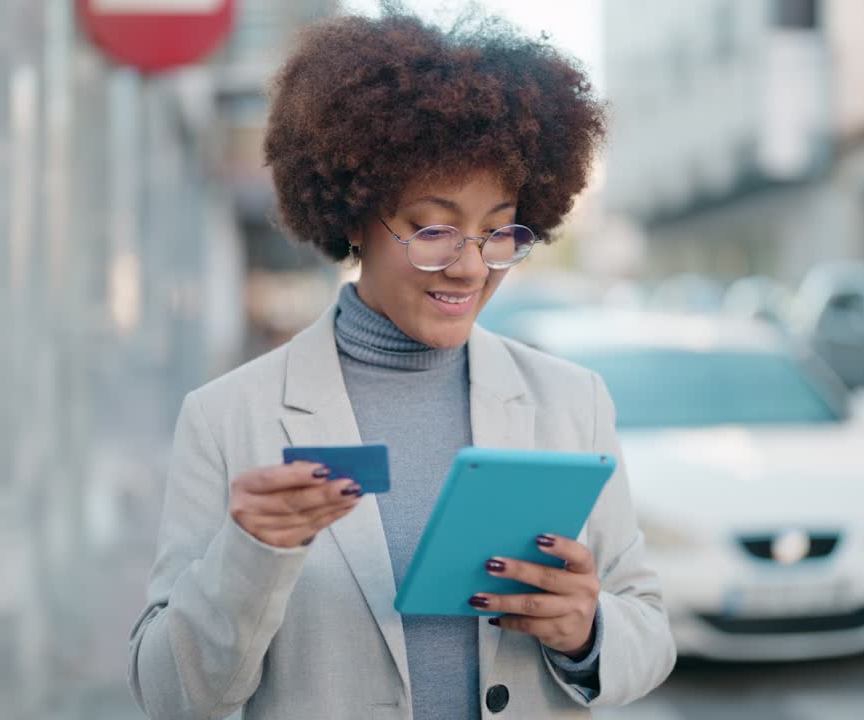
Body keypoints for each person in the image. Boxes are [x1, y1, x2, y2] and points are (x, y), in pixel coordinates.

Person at [127, 9, 675, 720]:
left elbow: (650, 626)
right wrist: (249, 555)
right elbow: (169, 695)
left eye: (498, 230)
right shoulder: (230, 417)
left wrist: (588, 631)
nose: (471, 266)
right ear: (355, 213)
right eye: (433, 228)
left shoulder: (572, 402)